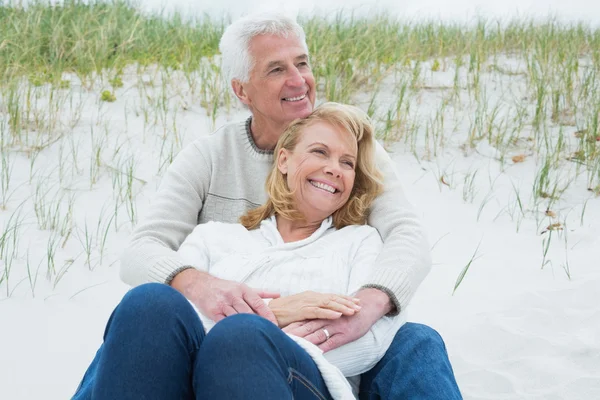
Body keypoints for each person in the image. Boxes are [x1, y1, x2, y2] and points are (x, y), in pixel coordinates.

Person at [118, 12, 461, 400]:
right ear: (242, 91)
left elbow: (407, 236)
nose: (298, 81)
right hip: (217, 351)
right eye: (277, 69)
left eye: (302, 63)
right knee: (144, 309)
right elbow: (139, 253)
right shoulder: (210, 169)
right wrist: (205, 287)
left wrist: (369, 303)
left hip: (310, 364)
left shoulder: (355, 168)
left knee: (416, 341)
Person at [72, 102, 405, 399]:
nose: (335, 168)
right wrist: (278, 312)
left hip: (303, 385)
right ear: (284, 160)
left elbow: (372, 340)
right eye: (320, 152)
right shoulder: (215, 237)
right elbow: (167, 331)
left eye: (347, 162)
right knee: (148, 302)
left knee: (240, 337)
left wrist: (260, 336)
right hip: (189, 383)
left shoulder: (360, 241)